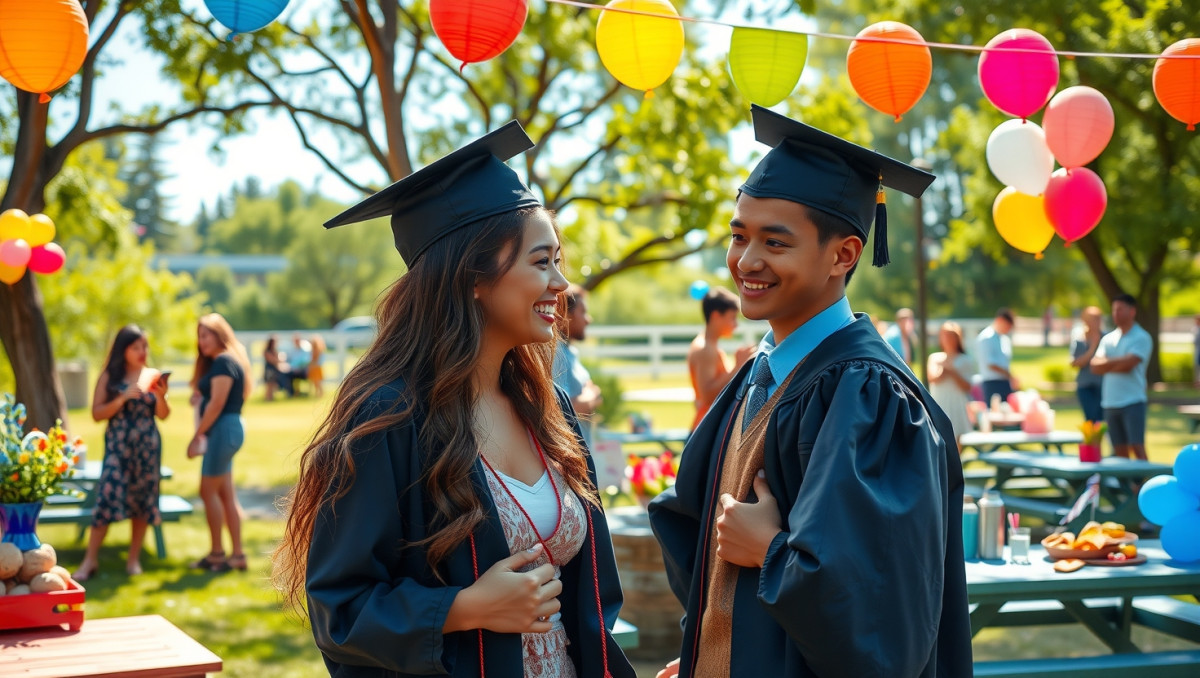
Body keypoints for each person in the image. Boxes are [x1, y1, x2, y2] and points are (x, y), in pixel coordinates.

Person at [271, 122, 634, 678]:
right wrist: (462, 610)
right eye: (541, 262)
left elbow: (592, 600)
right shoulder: (390, 420)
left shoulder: (551, 409)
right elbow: (338, 608)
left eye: (558, 260)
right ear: (473, 276)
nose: (561, 283)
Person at [648, 106, 972, 678]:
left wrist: (771, 552)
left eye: (776, 243)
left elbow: (884, 621)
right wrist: (710, 650)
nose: (747, 261)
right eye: (739, 236)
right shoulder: (760, 373)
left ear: (843, 255)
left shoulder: (871, 397)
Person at [73, 325, 170, 581]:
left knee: (142, 502)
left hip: (147, 450)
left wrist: (161, 397)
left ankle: (133, 559)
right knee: (105, 499)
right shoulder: (110, 377)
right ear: (123, 349)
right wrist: (122, 399)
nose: (142, 352)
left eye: (145, 346)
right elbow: (96, 414)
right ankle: (90, 560)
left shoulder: (152, 375)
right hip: (118, 449)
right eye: (136, 347)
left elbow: (163, 415)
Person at [187, 313, 253, 572]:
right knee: (225, 494)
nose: (202, 341)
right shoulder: (224, 361)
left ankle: (217, 554)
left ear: (219, 334)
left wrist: (196, 436)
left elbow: (217, 404)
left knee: (207, 492)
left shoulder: (224, 361)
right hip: (227, 431)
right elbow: (212, 398)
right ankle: (237, 556)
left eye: (206, 335)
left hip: (223, 430)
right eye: (199, 336)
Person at [1091, 294, 1153, 461]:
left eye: (1120, 309)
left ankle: (1142, 484)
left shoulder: (1141, 337)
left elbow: (1129, 365)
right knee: (1119, 450)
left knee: (1137, 447)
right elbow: (1095, 366)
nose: (1116, 313)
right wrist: (1120, 361)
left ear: (1132, 311)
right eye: (1114, 310)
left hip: (1133, 401)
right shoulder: (1108, 339)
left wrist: (1107, 365)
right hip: (1110, 402)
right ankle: (1127, 486)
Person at [687, 287, 754, 429]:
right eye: (732, 318)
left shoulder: (710, 346)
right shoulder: (705, 349)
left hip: (709, 425)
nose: (735, 324)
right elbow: (707, 396)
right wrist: (738, 367)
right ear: (716, 316)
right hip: (706, 429)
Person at [552, 284, 603, 442]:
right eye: (583, 312)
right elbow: (560, 410)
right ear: (564, 315)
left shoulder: (570, 352)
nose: (588, 319)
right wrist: (591, 396)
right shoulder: (556, 355)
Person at [927, 321, 975, 447]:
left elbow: (967, 386)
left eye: (951, 336)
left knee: (956, 441)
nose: (948, 339)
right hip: (939, 403)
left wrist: (951, 371)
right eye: (945, 335)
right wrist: (945, 368)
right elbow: (933, 378)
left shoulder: (965, 359)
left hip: (956, 404)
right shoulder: (935, 358)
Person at [1070, 306, 1105, 423]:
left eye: (1097, 319)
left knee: (1101, 419)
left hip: (1102, 385)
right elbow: (1075, 363)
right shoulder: (1080, 340)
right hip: (1085, 385)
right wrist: (1092, 348)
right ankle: (1091, 442)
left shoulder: (1107, 339)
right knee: (1090, 418)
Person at [976, 308, 1017, 407]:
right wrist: (1009, 375)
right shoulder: (986, 337)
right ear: (1000, 320)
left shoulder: (1004, 339)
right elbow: (990, 364)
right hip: (992, 383)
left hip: (1004, 382)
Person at [262, 335, 285, 401]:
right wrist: (279, 360)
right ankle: (267, 398)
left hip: (274, 369)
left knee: (273, 384)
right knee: (269, 384)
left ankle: (271, 398)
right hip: (269, 369)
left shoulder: (274, 350)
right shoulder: (267, 351)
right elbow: (272, 360)